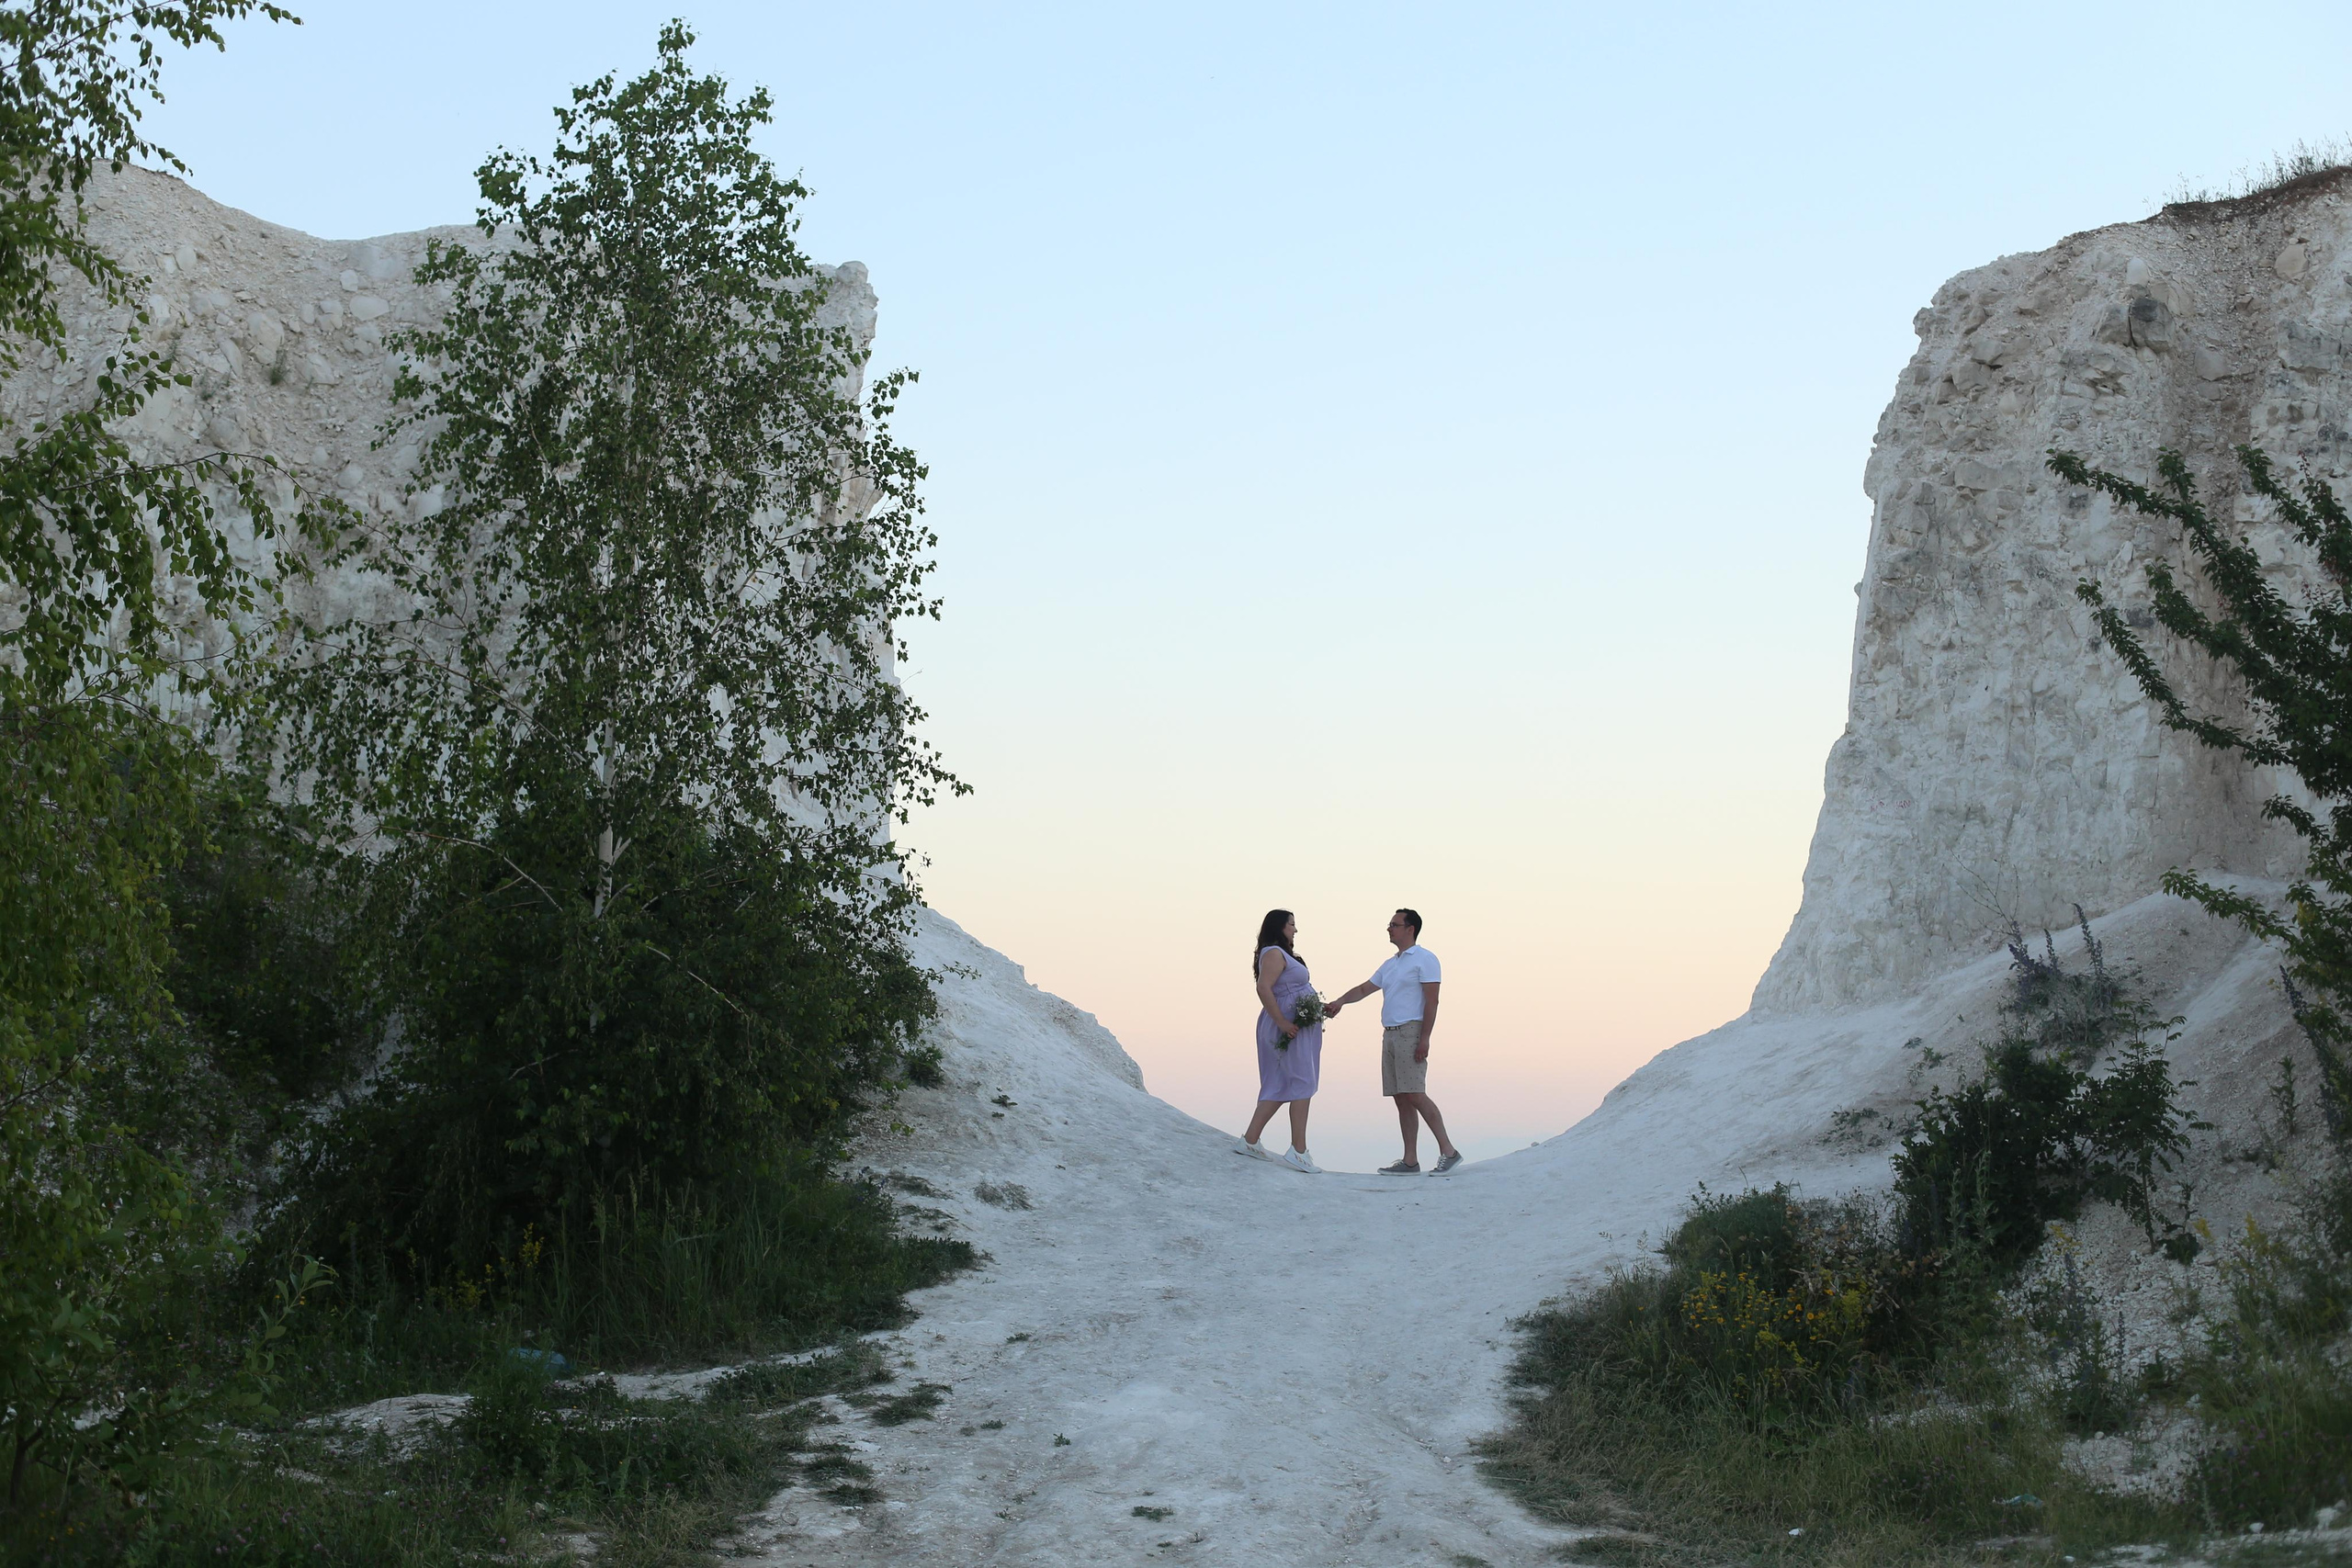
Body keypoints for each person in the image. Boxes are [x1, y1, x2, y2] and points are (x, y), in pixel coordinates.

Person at [1327, 908, 1461, 1175]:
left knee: (1415, 1093)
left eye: (1394, 924)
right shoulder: (1392, 963)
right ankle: (1410, 1160)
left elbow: (1432, 1001)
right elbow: (1366, 988)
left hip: (1411, 1031)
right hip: (1390, 1034)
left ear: (1410, 929)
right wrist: (1340, 1001)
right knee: (1401, 1097)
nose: (1389, 928)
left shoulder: (1425, 959)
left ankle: (1448, 1150)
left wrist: (1425, 1038)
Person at [1237, 908, 1325, 1174]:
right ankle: (1299, 1151)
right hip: (1287, 1026)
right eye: (1292, 925)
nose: (1295, 930)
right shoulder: (1273, 953)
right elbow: (1264, 987)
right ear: (1279, 927)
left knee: (1281, 1082)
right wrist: (1283, 1023)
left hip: (1294, 1023)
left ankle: (1250, 1139)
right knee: (1302, 1082)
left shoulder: (1280, 954)